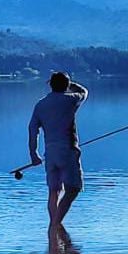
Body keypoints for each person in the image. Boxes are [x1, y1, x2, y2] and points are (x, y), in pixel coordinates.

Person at [28, 72, 88, 227]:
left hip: (50, 154)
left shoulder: (41, 104)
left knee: (54, 191)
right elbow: (84, 92)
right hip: (68, 151)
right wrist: (71, 84)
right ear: (66, 85)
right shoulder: (71, 99)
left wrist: (34, 153)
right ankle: (55, 225)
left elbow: (33, 129)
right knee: (73, 189)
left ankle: (54, 234)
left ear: (51, 85)